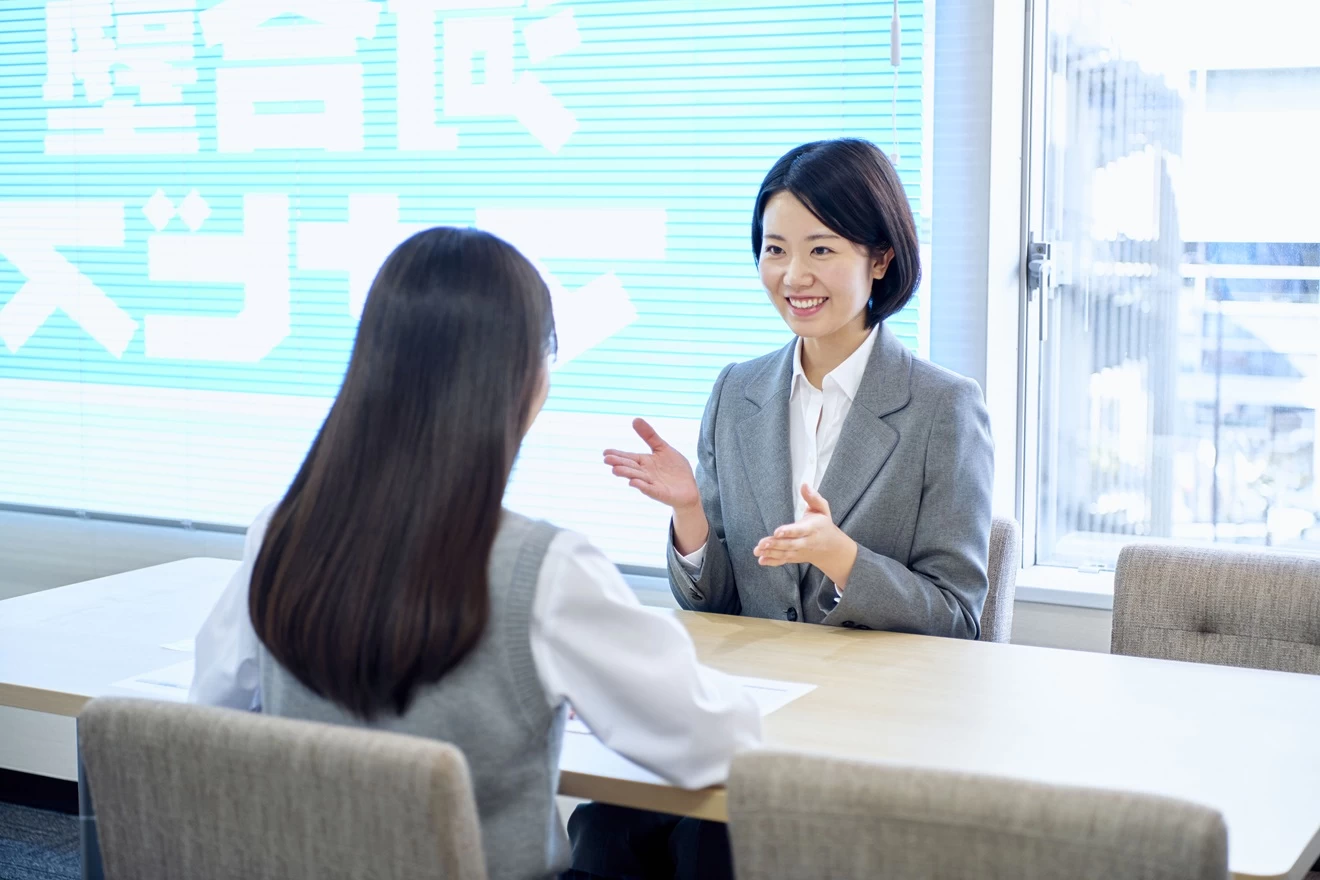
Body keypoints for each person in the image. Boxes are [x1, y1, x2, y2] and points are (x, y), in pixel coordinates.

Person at [189, 227, 762, 880]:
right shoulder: (544, 571)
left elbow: (214, 714)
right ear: (528, 376)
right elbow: (715, 744)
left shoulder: (278, 534)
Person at [570, 138, 994, 879]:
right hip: (748, 717)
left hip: (867, 730)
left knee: (714, 842)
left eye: (821, 249)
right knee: (607, 825)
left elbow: (959, 622)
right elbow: (716, 603)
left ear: (881, 258)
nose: (794, 276)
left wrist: (843, 558)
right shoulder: (737, 392)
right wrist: (693, 515)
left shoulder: (943, 408)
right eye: (775, 250)